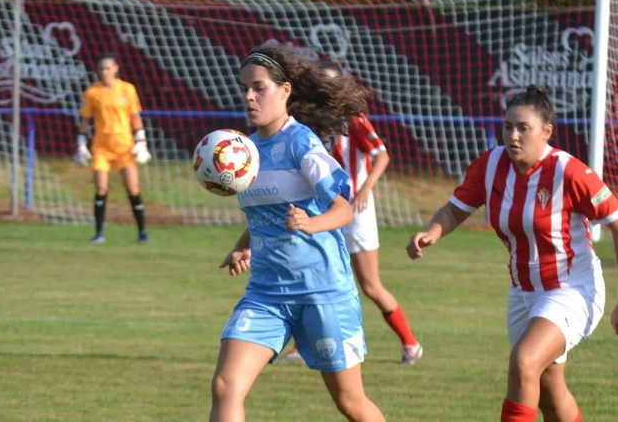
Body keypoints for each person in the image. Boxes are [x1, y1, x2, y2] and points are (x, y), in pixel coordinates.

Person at [406, 85, 618, 422]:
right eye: (508, 127)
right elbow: (455, 209)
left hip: (573, 289)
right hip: (522, 294)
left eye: (523, 128)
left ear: (547, 132)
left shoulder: (570, 172)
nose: (513, 136)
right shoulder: (491, 165)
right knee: (549, 390)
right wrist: (432, 232)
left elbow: (615, 222)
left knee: (524, 361)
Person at [210, 44, 385, 422]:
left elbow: (341, 208)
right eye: (245, 88)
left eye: (259, 87)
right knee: (225, 386)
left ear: (285, 90)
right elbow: (264, 217)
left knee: (350, 403)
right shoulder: (246, 153)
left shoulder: (302, 144)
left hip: (322, 292)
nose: (249, 96)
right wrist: (243, 247)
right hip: (266, 294)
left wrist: (311, 222)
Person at [279, 60, 422, 365]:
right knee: (309, 275)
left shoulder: (353, 119)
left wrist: (367, 187)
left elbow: (381, 155)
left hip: (355, 209)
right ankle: (300, 347)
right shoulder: (306, 122)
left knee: (370, 284)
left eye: (331, 84)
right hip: (321, 209)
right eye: (322, 84)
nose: (325, 90)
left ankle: (410, 343)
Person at [76, 53, 151, 243]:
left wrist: (141, 140)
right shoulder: (93, 92)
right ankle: (99, 233)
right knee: (101, 188)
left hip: (124, 146)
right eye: (101, 69)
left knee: (132, 188)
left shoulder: (127, 89)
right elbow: (85, 119)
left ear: (116, 68)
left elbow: (135, 117)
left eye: (108, 68)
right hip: (102, 147)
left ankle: (142, 231)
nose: (105, 72)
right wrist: (80, 142)